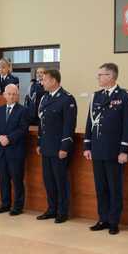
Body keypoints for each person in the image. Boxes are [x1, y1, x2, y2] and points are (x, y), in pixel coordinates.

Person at [83, 63, 128, 235]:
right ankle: (103, 218)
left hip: (114, 151)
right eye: (98, 75)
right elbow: (89, 122)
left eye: (101, 75)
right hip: (98, 149)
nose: (98, 77)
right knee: (100, 187)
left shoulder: (125, 96)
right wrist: (87, 146)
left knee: (115, 188)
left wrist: (124, 150)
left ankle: (114, 221)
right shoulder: (96, 96)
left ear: (111, 76)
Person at [36, 69, 77, 224]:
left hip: (59, 148)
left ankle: (62, 211)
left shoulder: (67, 99)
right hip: (46, 147)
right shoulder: (45, 98)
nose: (42, 82)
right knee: (48, 180)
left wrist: (64, 147)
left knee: (61, 181)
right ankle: (51, 208)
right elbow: (41, 123)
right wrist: (39, 142)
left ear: (54, 81)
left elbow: (69, 126)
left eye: (44, 79)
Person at [0, 84, 29, 215]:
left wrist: (9, 138)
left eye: (14, 94)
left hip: (15, 151)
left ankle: (18, 206)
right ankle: (5, 204)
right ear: (4, 95)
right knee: (3, 179)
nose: (11, 96)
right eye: (9, 94)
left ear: (17, 96)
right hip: (1, 150)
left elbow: (23, 129)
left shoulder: (23, 110)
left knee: (17, 180)